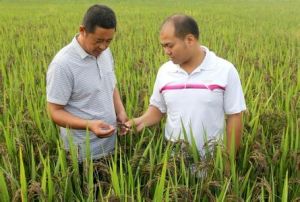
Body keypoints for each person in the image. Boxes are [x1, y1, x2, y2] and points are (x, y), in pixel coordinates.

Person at [126, 14, 246, 161]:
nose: (166, 52)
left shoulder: (224, 70)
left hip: (212, 162)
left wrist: (228, 162)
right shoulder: (165, 71)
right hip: (175, 164)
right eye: (163, 46)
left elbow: (235, 116)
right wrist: (138, 122)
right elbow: (157, 110)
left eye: (170, 45)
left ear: (189, 40)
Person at [46, 4, 127, 162]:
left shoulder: (105, 53)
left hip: (111, 146)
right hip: (82, 154)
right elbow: (55, 111)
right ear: (82, 30)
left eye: (109, 41)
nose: (103, 46)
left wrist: (121, 111)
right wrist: (89, 125)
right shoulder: (62, 64)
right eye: (98, 41)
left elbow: (110, 85)